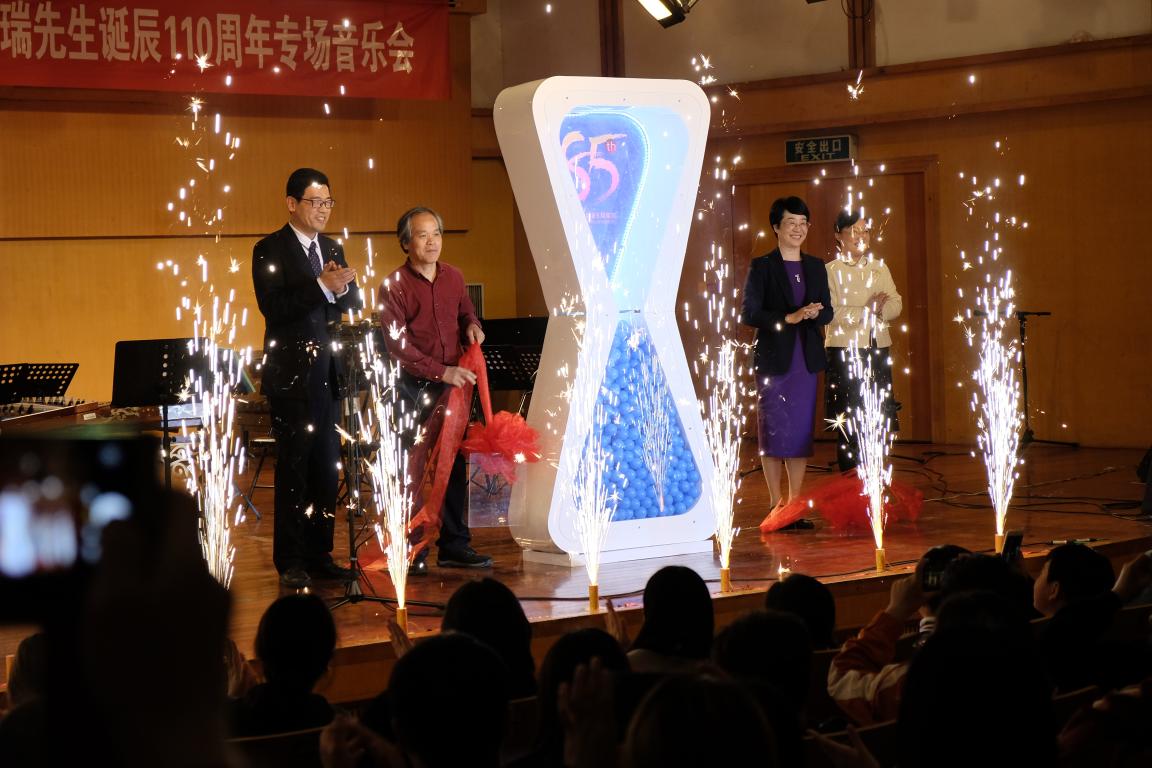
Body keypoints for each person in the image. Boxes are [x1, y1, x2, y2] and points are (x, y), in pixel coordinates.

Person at [252, 167, 360, 589]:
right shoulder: (269, 249)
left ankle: (320, 553)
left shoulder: (332, 246)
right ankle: (291, 559)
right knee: (295, 469)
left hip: (329, 375)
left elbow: (350, 301)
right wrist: (321, 284)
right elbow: (273, 307)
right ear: (292, 203)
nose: (323, 210)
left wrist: (342, 288)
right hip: (292, 379)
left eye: (328, 202)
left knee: (326, 469)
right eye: (315, 202)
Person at [376, 206, 491, 573]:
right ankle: (411, 548)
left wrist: (472, 326)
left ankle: (455, 545)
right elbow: (397, 346)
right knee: (411, 471)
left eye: (436, 234)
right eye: (422, 235)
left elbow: (466, 312)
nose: (432, 242)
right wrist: (442, 372)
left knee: (453, 465)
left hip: (452, 388)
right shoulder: (393, 286)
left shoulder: (454, 277)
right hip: (412, 388)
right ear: (405, 243)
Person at [740, 196, 833, 522]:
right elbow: (750, 313)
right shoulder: (762, 266)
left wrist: (815, 313)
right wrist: (788, 318)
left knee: (799, 432)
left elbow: (828, 311)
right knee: (774, 431)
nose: (798, 228)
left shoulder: (816, 266)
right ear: (776, 227)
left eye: (803, 223)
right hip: (773, 359)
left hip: (805, 361)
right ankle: (774, 503)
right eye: (791, 222)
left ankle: (794, 504)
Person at [824, 209, 904, 471]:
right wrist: (866, 311)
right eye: (854, 231)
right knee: (848, 422)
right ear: (839, 236)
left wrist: (878, 311)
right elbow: (829, 313)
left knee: (878, 416)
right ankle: (851, 480)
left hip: (877, 348)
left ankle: (875, 477)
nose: (862, 236)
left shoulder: (879, 267)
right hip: (844, 352)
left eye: (865, 230)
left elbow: (896, 303)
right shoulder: (830, 270)